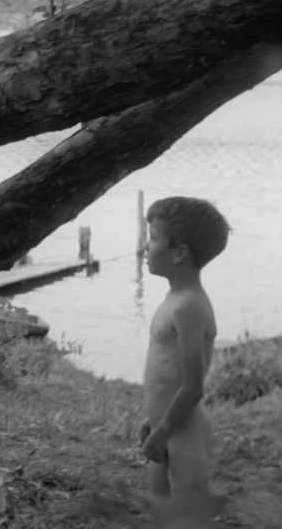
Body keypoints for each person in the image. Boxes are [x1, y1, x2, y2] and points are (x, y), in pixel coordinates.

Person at [139, 196, 230, 501]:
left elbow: (193, 386)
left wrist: (162, 433)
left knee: (187, 512)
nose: (145, 247)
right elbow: (168, 373)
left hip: (185, 432)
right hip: (167, 424)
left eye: (153, 238)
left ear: (179, 253)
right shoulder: (175, 299)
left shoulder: (189, 307)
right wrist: (154, 420)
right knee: (161, 506)